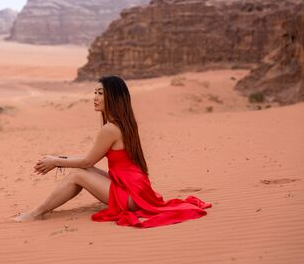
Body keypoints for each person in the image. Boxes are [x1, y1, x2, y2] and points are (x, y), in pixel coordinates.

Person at [12, 75, 211, 227]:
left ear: (112, 97)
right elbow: (90, 161)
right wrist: (59, 158)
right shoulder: (122, 123)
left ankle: (36, 213)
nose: (95, 98)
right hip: (135, 188)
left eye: (100, 93)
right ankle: (39, 211)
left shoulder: (110, 129)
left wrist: (56, 161)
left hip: (131, 195)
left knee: (78, 175)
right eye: (95, 93)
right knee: (81, 173)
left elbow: (88, 162)